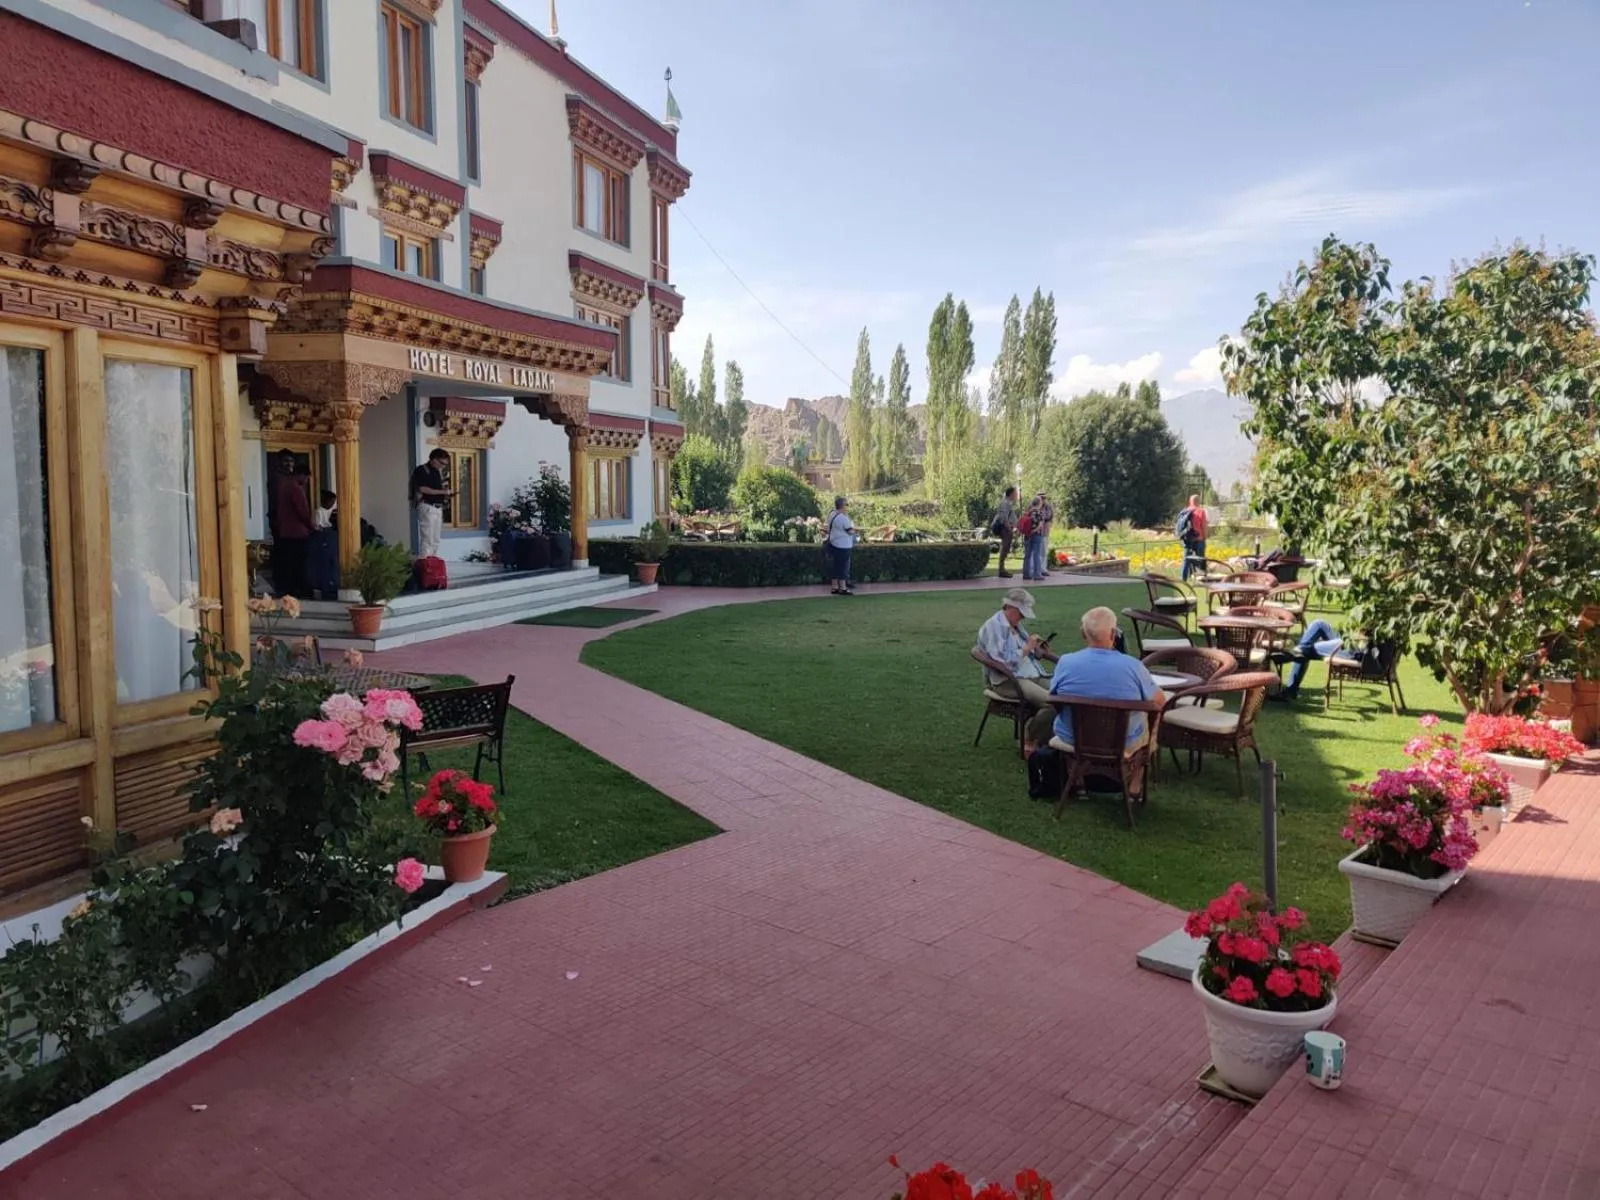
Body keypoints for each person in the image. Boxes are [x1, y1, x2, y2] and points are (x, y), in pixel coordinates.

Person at [1025, 606, 1167, 755]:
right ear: (1113, 634)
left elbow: (1054, 698)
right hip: (1121, 742)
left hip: (1074, 738)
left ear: (1083, 634)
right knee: (1149, 711)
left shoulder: (1066, 663)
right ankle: (1138, 770)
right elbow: (1160, 702)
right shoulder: (1134, 667)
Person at [975, 587, 1056, 719]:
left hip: (1030, 674)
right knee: (1053, 703)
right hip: (1008, 681)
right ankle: (1032, 736)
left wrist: (1036, 649)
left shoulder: (1015, 624)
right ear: (1009, 607)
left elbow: (1023, 652)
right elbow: (1002, 662)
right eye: (1021, 613)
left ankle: (1057, 735)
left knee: (1066, 695)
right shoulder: (994, 627)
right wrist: (1026, 648)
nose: (1023, 617)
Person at [269, 450, 312, 599]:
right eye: (286, 461)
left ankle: (288, 588)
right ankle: (298, 589)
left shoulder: (286, 485)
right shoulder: (293, 487)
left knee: (288, 562)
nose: (288, 465)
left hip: (285, 530)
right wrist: (312, 526)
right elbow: (302, 511)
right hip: (295, 532)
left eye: (291, 462)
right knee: (297, 563)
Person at [1270, 619, 1346, 701]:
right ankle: (1295, 653)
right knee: (1319, 624)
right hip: (1348, 641)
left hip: (1351, 650)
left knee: (1306, 651)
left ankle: (1292, 655)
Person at [409, 449, 453, 559]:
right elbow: (423, 488)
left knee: (436, 539)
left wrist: (445, 493)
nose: (443, 466)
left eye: (445, 464)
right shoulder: (422, 470)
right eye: (442, 463)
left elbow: (436, 489)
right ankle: (426, 564)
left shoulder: (437, 472)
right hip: (427, 506)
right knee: (427, 538)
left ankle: (434, 565)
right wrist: (442, 492)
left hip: (437, 507)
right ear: (434, 459)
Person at [825, 495, 856, 595]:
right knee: (843, 566)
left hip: (833, 543)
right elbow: (850, 531)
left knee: (835, 566)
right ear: (843, 506)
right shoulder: (843, 518)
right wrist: (855, 531)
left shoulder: (832, 514)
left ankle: (834, 587)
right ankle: (843, 588)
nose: (848, 507)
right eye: (847, 505)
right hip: (843, 546)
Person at [1178, 494, 1209, 581]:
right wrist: (1205, 537)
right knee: (1201, 559)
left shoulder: (1184, 512)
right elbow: (1204, 526)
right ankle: (1203, 579)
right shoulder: (1201, 511)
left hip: (1187, 539)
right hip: (1199, 539)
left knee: (1186, 559)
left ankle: (1184, 579)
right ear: (1198, 501)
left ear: (1190, 501)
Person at [992, 485, 1019, 579]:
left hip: (1007, 528)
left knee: (1006, 548)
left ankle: (1002, 569)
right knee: (1005, 548)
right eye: (1016, 493)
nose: (1017, 495)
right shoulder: (1005, 503)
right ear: (1011, 494)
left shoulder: (1009, 504)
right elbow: (1004, 517)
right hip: (1005, 529)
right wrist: (1009, 528)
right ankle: (1001, 570)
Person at [1021, 493, 1048, 581]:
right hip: (1037, 535)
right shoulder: (1039, 513)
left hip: (1027, 535)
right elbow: (1040, 525)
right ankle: (1037, 574)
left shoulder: (1027, 512)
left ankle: (1026, 573)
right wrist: (1034, 530)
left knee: (1027, 555)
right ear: (1039, 503)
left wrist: (1029, 532)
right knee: (1036, 554)